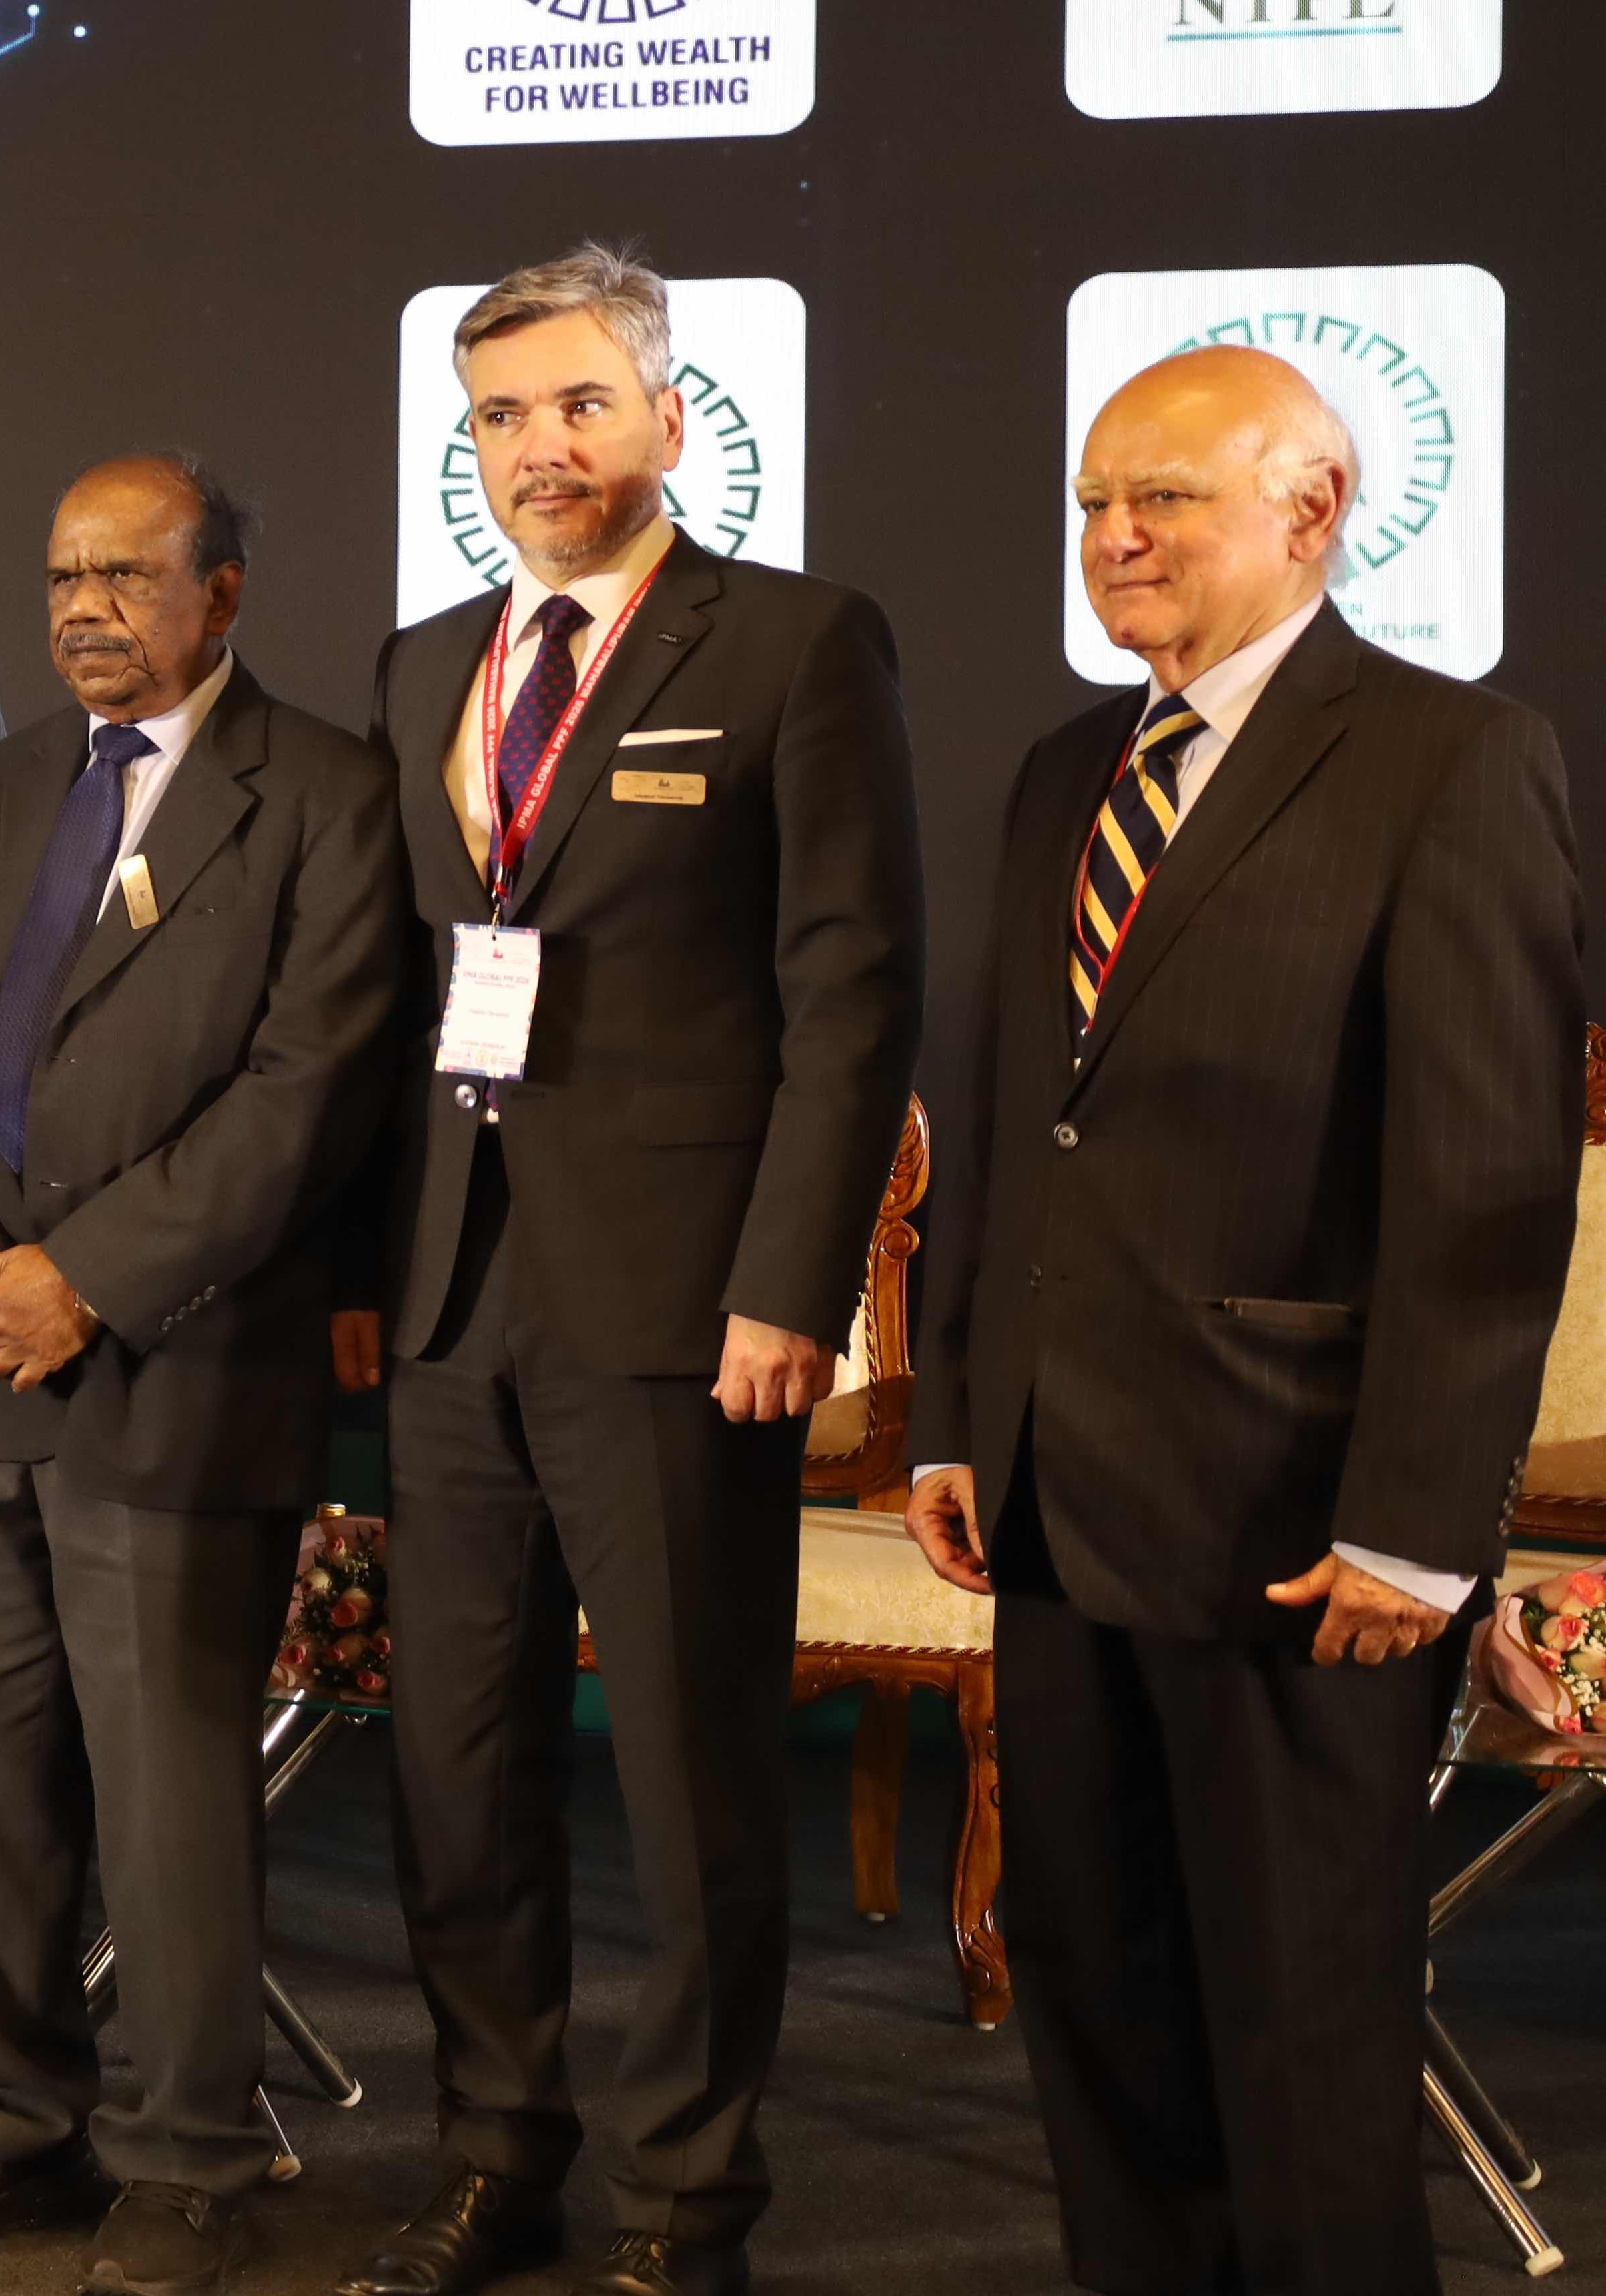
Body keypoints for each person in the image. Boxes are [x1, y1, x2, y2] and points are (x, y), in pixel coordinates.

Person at [906, 346, 1579, 2296]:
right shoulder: (1066, 773)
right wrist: (954, 1415)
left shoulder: (1452, 757)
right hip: (1055, 1504)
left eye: (1167, 497)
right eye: (1095, 502)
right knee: (1101, 2005)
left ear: (1314, 509)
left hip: (1300, 1526)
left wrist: (1419, 1525)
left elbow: (1485, 1183)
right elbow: (1016, 1129)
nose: (1116, 534)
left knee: (1302, 2030)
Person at [347, 246, 921, 2296]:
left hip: (686, 1310)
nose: (544, 448)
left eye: (583, 404)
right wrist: (365, 1268)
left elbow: (853, 994)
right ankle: (496, 2149)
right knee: (459, 1768)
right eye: (504, 415)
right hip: (453, 1302)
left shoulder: (795, 643)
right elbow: (401, 992)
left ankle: (688, 2199)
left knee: (686, 1784)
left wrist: (793, 1287)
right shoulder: (425, 665)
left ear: (670, 419)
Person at [0, 455, 406, 2293]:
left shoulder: (326, 792)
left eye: (125, 575)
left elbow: (308, 1093)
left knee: (169, 1799)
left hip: (177, 1364)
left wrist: (85, 1282)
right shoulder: (2, 786)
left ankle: (187, 2154)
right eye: (60, 578)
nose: (83, 608)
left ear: (222, 593)